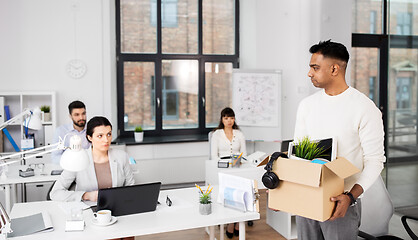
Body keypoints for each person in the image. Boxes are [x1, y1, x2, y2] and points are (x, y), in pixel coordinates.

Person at [293, 40, 385, 239]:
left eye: (315, 67)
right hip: (306, 198)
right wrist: (286, 189)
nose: (309, 73)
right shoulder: (306, 105)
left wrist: (350, 196)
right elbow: (297, 156)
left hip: (340, 202)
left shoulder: (365, 108)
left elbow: (375, 161)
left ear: (334, 69)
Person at [50, 116, 135, 202]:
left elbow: (131, 187)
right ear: (90, 137)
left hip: (116, 208)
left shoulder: (122, 156)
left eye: (108, 134)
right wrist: (85, 195)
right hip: (87, 211)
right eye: (100, 136)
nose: (106, 140)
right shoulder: (78, 159)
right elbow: (55, 193)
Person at [211, 107, 247, 238]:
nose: (229, 121)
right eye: (226, 118)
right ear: (222, 119)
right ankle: (231, 222)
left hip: (237, 168)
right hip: (222, 168)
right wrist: (226, 164)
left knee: (242, 189)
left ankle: (237, 222)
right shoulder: (216, 134)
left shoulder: (240, 134)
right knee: (230, 191)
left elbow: (244, 154)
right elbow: (214, 156)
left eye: (231, 118)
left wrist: (238, 162)